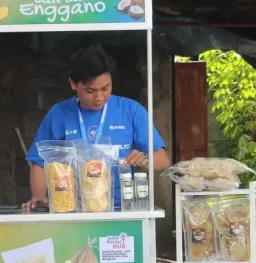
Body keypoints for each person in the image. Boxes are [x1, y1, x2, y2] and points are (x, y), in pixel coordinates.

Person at [23, 44, 171, 210]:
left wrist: (144, 158)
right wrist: (38, 196)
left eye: (105, 88)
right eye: (90, 91)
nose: (99, 97)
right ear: (73, 84)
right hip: (72, 209)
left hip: (120, 209)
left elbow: (162, 160)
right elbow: (39, 161)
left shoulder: (131, 110)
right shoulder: (59, 114)